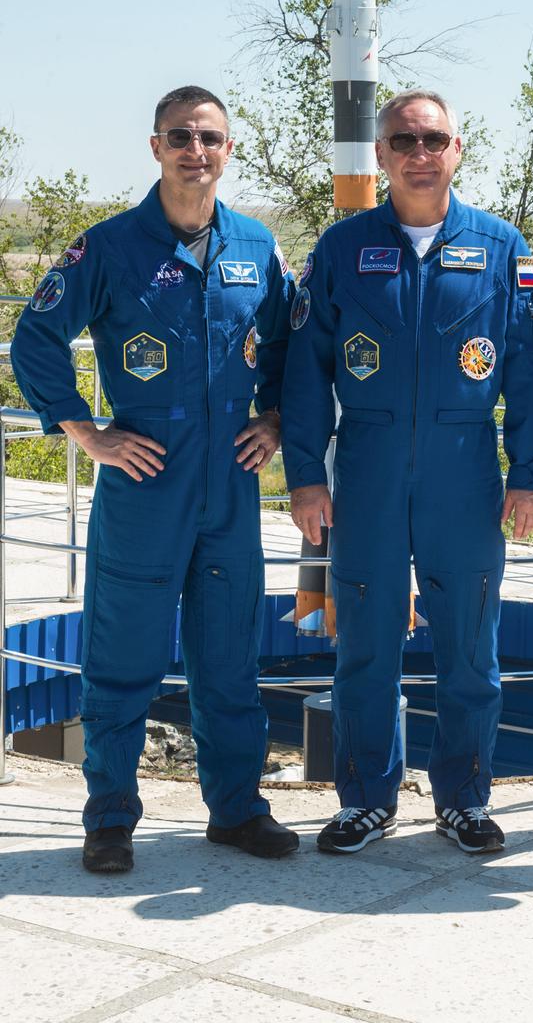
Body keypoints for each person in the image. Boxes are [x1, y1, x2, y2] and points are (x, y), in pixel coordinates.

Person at [11, 85, 300, 872]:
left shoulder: (256, 247)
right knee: (122, 660)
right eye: (180, 137)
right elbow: (35, 338)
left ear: (228, 149)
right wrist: (85, 431)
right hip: (145, 483)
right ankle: (109, 818)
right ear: (156, 147)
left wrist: (275, 419)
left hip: (229, 487)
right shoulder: (108, 247)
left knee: (228, 659)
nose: (194, 151)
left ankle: (237, 809)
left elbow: (291, 346)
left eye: (208, 137)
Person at [282, 89, 533, 854]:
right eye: (403, 141)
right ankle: (366, 801)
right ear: (381, 154)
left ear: (457, 149)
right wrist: (305, 475)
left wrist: (529, 474)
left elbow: (529, 371)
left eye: (433, 139)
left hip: (464, 474)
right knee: (365, 648)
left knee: (469, 650)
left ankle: (463, 800)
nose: (419, 153)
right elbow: (305, 372)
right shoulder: (342, 248)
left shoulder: (501, 248)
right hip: (364, 472)